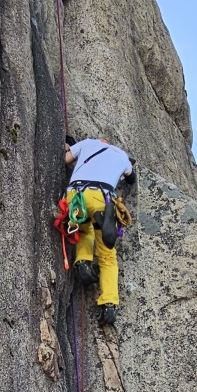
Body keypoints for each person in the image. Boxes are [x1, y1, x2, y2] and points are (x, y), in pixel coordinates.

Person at [64, 134, 135, 325]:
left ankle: (83, 263)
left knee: (83, 230)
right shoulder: (121, 155)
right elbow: (131, 178)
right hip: (102, 198)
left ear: (99, 141)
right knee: (107, 255)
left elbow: (66, 159)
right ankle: (109, 304)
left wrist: (71, 148)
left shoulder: (87, 143)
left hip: (76, 195)